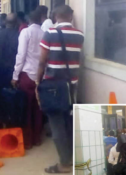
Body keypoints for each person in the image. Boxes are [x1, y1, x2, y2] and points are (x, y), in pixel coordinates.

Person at [36, 5, 84, 173]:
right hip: (72, 85)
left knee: (56, 125)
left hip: (53, 86)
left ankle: (64, 164)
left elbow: (42, 61)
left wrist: (37, 81)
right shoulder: (79, 35)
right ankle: (72, 157)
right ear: (71, 16)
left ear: (55, 17)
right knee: (69, 121)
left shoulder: (49, 33)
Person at [11, 11, 44, 150]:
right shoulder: (44, 33)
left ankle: (28, 141)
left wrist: (15, 75)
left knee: (26, 109)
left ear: (29, 20)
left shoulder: (25, 32)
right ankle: (37, 138)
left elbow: (21, 55)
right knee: (38, 108)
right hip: (40, 74)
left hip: (27, 74)